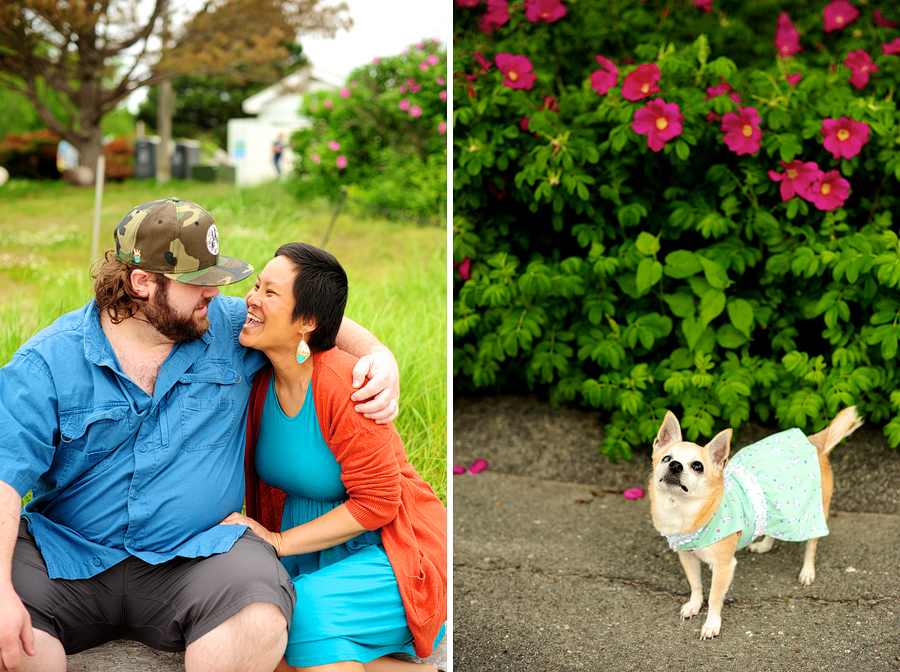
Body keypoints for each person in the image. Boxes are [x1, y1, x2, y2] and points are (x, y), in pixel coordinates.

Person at [0, 197, 401, 672]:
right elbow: (4, 478)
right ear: (142, 282)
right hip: (65, 558)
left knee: (259, 617)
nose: (215, 293)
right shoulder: (48, 361)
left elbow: (303, 319)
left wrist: (379, 355)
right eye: (198, 282)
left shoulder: (226, 328)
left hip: (199, 558)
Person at [220, 242, 446, 672]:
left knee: (300, 614)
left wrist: (279, 542)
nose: (251, 299)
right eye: (255, 286)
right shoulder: (260, 378)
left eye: (270, 293)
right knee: (263, 631)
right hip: (317, 547)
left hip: (394, 550)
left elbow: (380, 501)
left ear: (306, 321)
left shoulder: (345, 384)